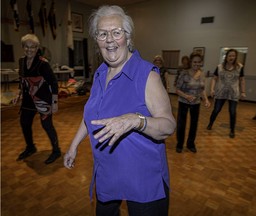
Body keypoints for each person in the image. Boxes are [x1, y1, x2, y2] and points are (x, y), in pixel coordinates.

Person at [63, 5, 176, 216]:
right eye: (102, 34)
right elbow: (91, 115)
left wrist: (136, 120)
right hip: (107, 173)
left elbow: (169, 125)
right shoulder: (100, 73)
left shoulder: (146, 75)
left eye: (116, 32)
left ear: (128, 37)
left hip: (143, 177)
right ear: (97, 40)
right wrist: (73, 145)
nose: (109, 40)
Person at [14, 34, 61, 164]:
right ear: (23, 47)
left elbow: (53, 82)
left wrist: (55, 102)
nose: (30, 50)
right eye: (27, 47)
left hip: (43, 100)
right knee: (24, 123)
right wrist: (18, 94)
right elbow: (22, 79)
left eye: (33, 47)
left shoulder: (42, 63)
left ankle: (56, 151)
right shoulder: (21, 61)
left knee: (47, 125)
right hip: (28, 101)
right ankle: (30, 147)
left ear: (37, 48)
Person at [206, 49, 246, 138]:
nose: (232, 57)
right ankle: (210, 123)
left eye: (233, 56)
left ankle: (232, 130)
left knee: (232, 112)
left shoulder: (240, 67)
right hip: (221, 92)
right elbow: (214, 78)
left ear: (236, 57)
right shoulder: (220, 66)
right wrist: (212, 89)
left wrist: (243, 92)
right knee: (216, 110)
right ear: (226, 57)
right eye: (230, 56)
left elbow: (242, 80)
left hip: (233, 93)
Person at [175, 53, 210, 153]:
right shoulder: (184, 73)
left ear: (201, 63)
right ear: (191, 62)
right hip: (183, 102)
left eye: (199, 62)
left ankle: (191, 144)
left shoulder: (202, 74)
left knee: (194, 125)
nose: (197, 64)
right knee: (181, 124)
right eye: (195, 61)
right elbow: (177, 89)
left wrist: (206, 100)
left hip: (196, 103)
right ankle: (180, 144)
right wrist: (186, 96)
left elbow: (202, 89)